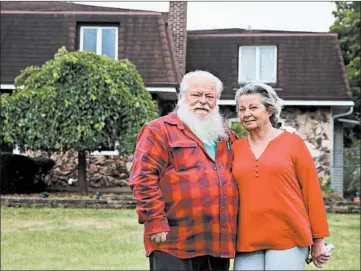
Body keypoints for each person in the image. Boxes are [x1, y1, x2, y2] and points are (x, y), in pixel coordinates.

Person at [129, 70, 239, 271]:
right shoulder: (158, 130)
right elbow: (143, 178)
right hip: (174, 240)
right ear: (182, 97)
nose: (203, 101)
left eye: (210, 96)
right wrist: (154, 221)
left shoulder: (227, 138)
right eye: (196, 95)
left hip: (217, 240)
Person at [232, 82, 331, 270]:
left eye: (253, 107)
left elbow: (311, 193)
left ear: (269, 110)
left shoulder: (293, 142)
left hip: (289, 235)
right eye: (241, 109)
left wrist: (319, 240)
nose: (246, 114)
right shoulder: (235, 148)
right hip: (246, 238)